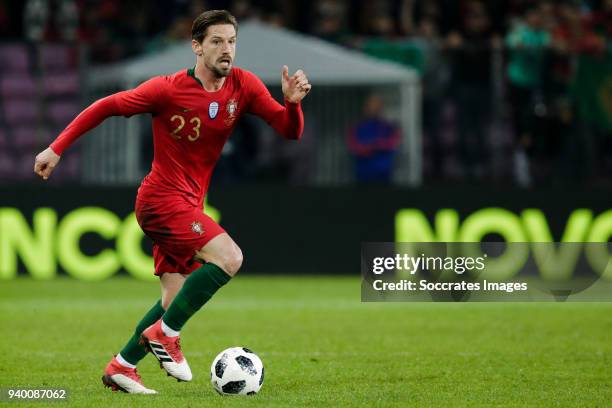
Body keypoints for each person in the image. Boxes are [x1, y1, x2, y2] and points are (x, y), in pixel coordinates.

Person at [33, 10, 311, 394]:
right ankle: (167, 336)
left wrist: (292, 104)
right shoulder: (166, 89)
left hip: (191, 204)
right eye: (216, 41)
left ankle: (123, 366)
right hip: (161, 199)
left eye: (231, 41)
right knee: (230, 258)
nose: (226, 49)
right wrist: (55, 147)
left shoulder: (243, 86)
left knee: (173, 298)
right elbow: (106, 106)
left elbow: (288, 130)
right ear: (196, 46)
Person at [346, 93, 401, 183]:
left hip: (384, 174)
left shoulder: (389, 127)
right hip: (363, 174)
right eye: (371, 106)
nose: (374, 109)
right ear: (365, 108)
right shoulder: (356, 127)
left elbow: (394, 143)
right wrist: (375, 146)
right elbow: (354, 147)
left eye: (377, 106)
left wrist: (373, 146)